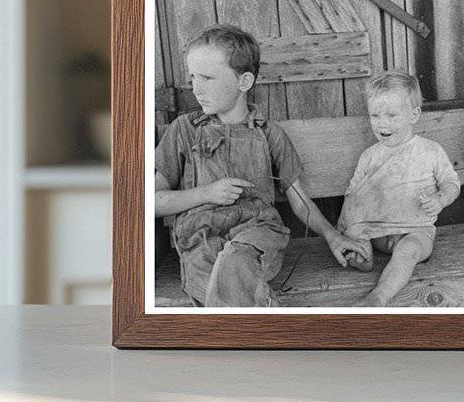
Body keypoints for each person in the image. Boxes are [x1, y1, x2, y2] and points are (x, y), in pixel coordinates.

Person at [154, 24, 360, 307]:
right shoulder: (184, 131)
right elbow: (150, 202)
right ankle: (275, 327)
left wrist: (333, 237)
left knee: (235, 262)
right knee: (218, 287)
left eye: (207, 77)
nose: (195, 87)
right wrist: (206, 194)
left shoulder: (269, 134)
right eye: (192, 76)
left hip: (257, 234)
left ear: (244, 81)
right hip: (199, 239)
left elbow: (299, 202)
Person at [335, 71, 461, 307]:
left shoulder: (430, 151)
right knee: (355, 236)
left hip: (416, 230)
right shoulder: (370, 156)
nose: (382, 123)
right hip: (376, 231)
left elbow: (451, 182)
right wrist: (353, 227)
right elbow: (353, 196)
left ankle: (379, 296)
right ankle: (364, 255)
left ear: (414, 115)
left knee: (408, 251)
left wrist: (440, 198)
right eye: (375, 115)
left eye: (392, 115)